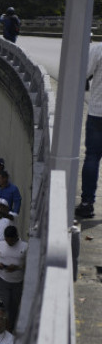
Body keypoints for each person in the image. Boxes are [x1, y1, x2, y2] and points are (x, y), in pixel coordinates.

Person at [76, 39, 102, 219]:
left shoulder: (99, 49)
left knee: (92, 157)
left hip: (98, 112)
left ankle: (87, 204)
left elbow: (82, 72)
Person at [0, 225, 27, 328]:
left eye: (11, 241)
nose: (9, 242)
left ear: (16, 237)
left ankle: (10, 328)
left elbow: (29, 264)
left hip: (17, 283)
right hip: (2, 281)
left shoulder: (25, 246)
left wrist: (18, 267)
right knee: (2, 305)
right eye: (7, 240)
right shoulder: (0, 245)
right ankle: (0, 327)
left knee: (14, 308)